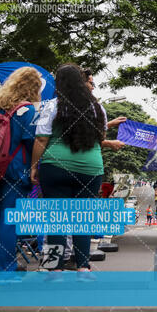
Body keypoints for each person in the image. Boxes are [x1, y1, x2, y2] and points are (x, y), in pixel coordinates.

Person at [31, 63, 119, 274]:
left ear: (58, 83)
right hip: (90, 169)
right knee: (82, 218)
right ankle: (83, 266)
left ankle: (55, 268)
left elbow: (42, 137)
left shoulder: (52, 106)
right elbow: (101, 138)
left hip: (56, 168)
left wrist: (34, 166)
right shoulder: (98, 108)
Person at [0, 67, 42, 272]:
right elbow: (33, 142)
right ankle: (6, 268)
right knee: (10, 219)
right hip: (15, 171)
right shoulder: (28, 111)